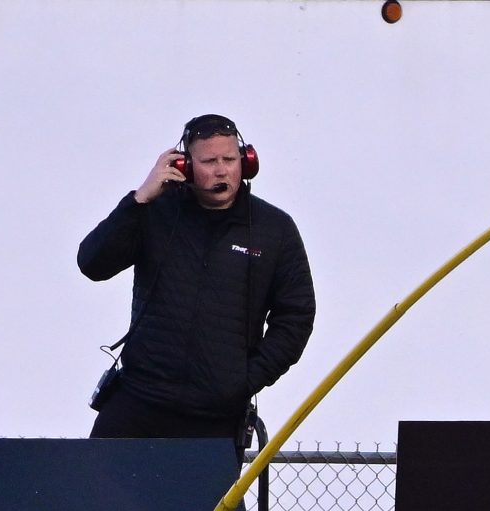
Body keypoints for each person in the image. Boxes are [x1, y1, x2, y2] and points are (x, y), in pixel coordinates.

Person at [77, 114, 315, 447]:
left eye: (230, 159)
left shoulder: (274, 229)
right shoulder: (155, 211)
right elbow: (92, 264)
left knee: (205, 503)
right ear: (186, 166)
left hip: (215, 417)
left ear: (245, 162)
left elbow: (296, 316)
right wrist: (139, 199)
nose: (222, 170)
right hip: (138, 399)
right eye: (209, 161)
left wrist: (243, 380)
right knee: (92, 497)